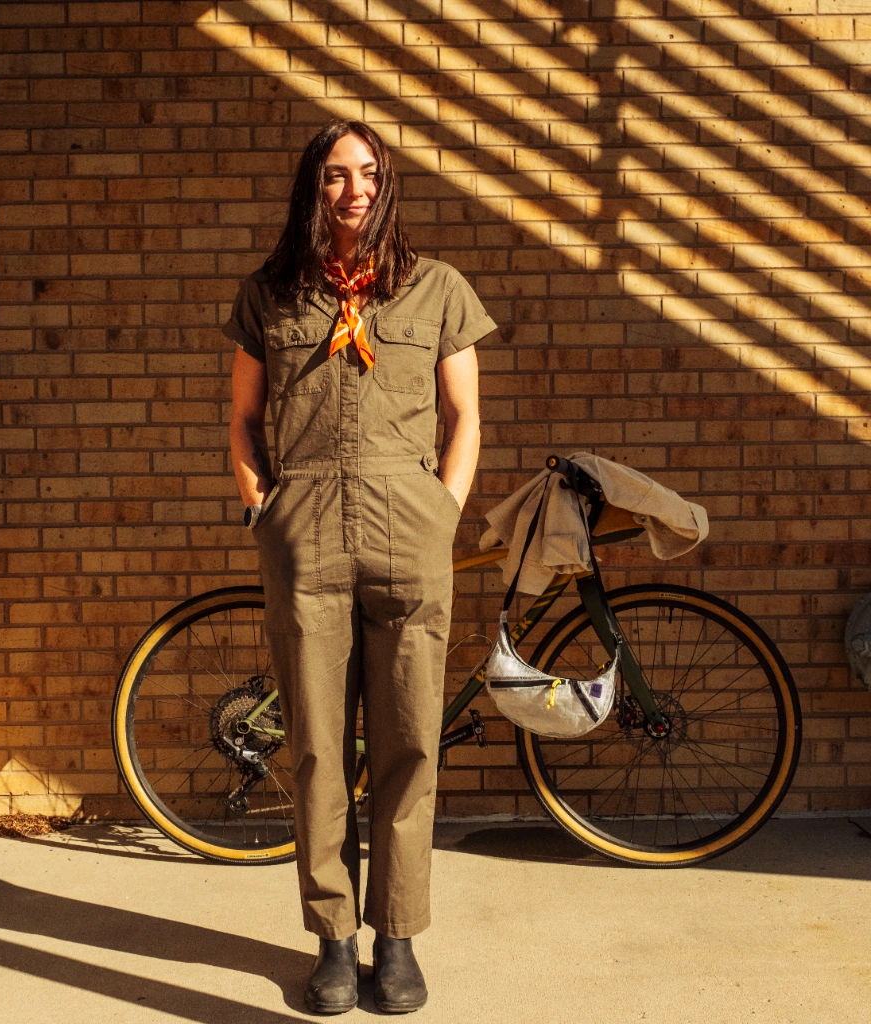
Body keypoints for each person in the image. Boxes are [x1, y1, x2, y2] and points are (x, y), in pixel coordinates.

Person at [225, 119, 496, 1015]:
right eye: (336, 175)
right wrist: (261, 502)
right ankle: (334, 938)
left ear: (388, 184)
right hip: (305, 534)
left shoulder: (436, 290)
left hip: (408, 531)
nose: (354, 190)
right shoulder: (271, 295)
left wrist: (443, 510)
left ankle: (399, 937)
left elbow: (465, 419)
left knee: (411, 742)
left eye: (369, 173)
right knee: (314, 751)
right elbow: (242, 420)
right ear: (312, 188)